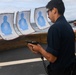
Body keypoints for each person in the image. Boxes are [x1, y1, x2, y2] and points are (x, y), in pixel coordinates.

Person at [27, 0, 76, 75]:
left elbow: (52, 58)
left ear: (54, 10)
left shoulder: (54, 28)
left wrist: (39, 49)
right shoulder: (68, 26)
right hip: (71, 69)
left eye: (48, 11)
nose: (48, 15)